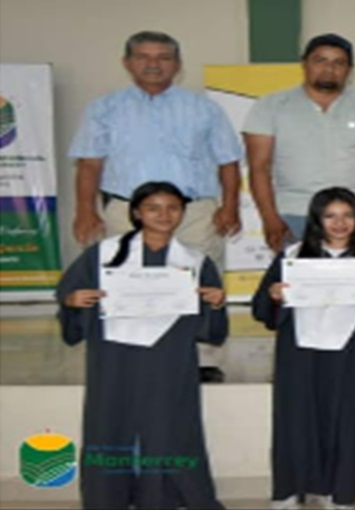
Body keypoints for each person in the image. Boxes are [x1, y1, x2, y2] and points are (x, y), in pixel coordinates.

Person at [68, 30, 242, 383]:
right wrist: (85, 210)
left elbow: (228, 162)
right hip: (125, 212)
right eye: (144, 57)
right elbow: (89, 164)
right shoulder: (104, 109)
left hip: (193, 213)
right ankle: (127, 353)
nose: (154, 64)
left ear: (177, 64)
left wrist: (230, 207)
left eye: (163, 57)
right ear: (127, 62)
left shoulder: (204, 108)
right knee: (125, 279)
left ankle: (202, 359)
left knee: (197, 279)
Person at [56, 181, 227, 509]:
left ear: (183, 213)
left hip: (169, 354)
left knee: (170, 424)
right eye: (153, 208)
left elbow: (210, 327)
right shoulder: (103, 254)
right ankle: (108, 499)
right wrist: (72, 301)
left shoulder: (195, 261)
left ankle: (164, 496)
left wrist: (216, 303)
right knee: (110, 423)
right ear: (136, 213)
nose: (164, 215)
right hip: (114, 355)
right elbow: (70, 294)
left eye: (173, 208)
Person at [252, 188, 355, 510]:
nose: (339, 223)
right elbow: (261, 310)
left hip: (353, 350)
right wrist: (274, 295)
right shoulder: (291, 256)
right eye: (330, 216)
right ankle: (292, 487)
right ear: (316, 220)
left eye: (347, 215)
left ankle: (342, 490)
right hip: (300, 350)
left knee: (349, 419)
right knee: (297, 419)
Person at [244, 33, 355, 252]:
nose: (329, 68)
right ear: (304, 63)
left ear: (350, 69)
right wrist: (269, 217)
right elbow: (259, 166)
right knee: (296, 274)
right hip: (293, 215)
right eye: (320, 60)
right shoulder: (270, 106)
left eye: (339, 63)